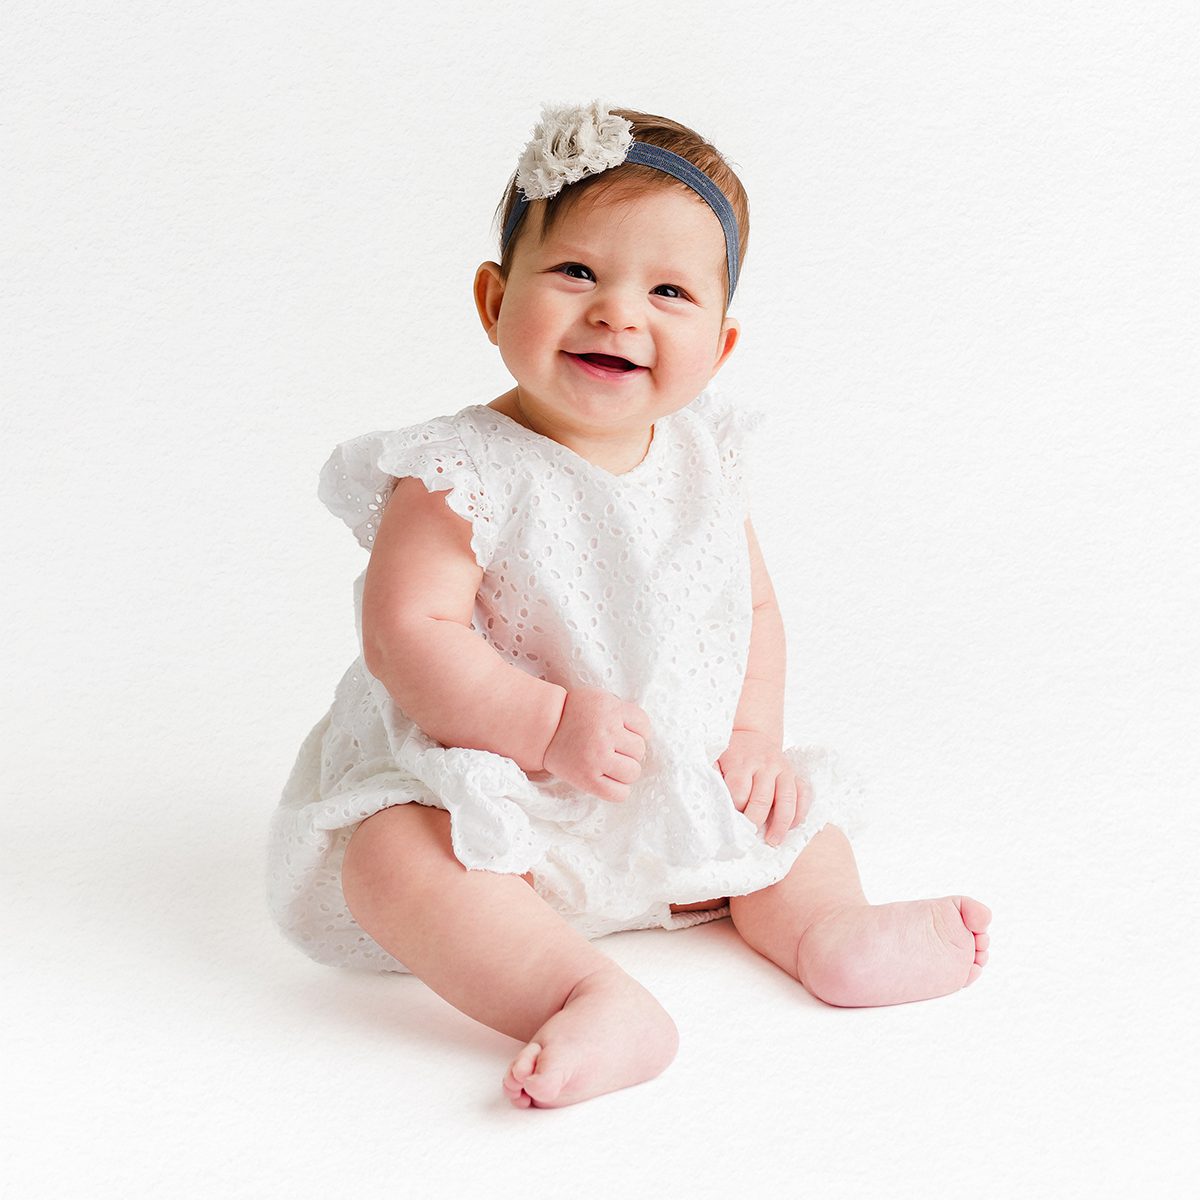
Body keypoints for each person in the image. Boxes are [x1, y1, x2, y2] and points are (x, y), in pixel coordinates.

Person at [267, 102, 992, 1110]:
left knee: (797, 819)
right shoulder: (454, 469)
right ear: (493, 297)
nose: (618, 312)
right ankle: (585, 993)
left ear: (722, 343)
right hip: (504, 796)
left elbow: (757, 610)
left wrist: (752, 739)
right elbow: (407, 634)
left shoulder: (706, 458)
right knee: (392, 855)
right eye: (576, 273)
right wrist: (545, 723)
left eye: (668, 290)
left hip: (678, 786)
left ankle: (829, 935)